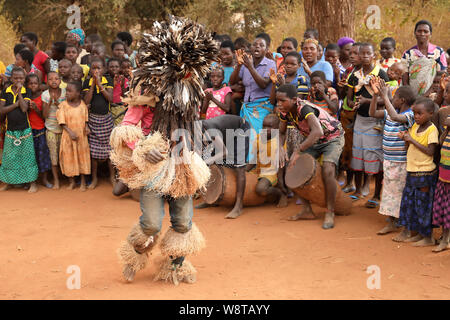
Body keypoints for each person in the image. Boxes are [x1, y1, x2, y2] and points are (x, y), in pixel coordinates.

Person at [277, 84, 344, 229]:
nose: (279, 104)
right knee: (293, 170)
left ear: (294, 99)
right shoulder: (284, 111)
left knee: (328, 169)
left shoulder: (304, 109)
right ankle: (307, 210)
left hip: (332, 138)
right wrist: (280, 148)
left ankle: (330, 212)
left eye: (282, 101)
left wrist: (297, 151)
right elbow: (281, 132)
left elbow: (318, 132)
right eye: (278, 101)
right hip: (313, 140)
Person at [369, 79, 416, 235]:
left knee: (398, 192)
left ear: (402, 100)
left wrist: (385, 96)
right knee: (390, 190)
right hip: (389, 159)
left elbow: (396, 117)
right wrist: (376, 96)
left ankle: (397, 222)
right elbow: (373, 113)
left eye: (394, 97)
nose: (391, 99)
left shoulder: (410, 115)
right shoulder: (390, 112)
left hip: (401, 161)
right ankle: (393, 221)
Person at [347, 43, 389, 208]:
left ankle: (377, 194)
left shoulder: (381, 74)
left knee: (375, 156)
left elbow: (387, 100)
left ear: (373, 56)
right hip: (360, 120)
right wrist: (353, 104)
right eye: (361, 53)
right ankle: (358, 190)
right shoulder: (354, 75)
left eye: (367, 53)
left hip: (375, 122)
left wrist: (367, 101)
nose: (364, 56)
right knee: (358, 154)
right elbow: (349, 98)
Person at [396, 97, 439, 246]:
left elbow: (430, 151)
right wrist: (405, 139)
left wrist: (412, 140)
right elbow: (410, 148)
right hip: (412, 170)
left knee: (424, 205)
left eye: (420, 113)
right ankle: (419, 233)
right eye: (415, 113)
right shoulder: (414, 126)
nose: (417, 116)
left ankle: (428, 237)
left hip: (424, 173)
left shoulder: (432, 130)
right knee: (412, 204)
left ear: (431, 114)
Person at [229, 36, 276, 160]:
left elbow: (264, 84)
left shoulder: (270, 64)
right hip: (247, 108)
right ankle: (245, 166)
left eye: (261, 45)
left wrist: (250, 67)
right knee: (245, 138)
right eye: (255, 44)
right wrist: (239, 65)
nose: (257, 47)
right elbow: (232, 81)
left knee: (257, 139)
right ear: (250, 47)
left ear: (266, 50)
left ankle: (255, 168)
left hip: (262, 108)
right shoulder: (245, 64)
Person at [199, 114, 251, 219]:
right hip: (226, 133)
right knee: (212, 161)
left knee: (239, 166)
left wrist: (206, 161)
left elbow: (224, 152)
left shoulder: (210, 130)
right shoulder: (197, 130)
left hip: (241, 128)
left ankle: (238, 205)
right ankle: (212, 199)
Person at [0, 67, 38, 192]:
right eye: (15, 78)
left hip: (25, 129)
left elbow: (23, 109)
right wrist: (15, 105)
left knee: (27, 156)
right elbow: (1, 110)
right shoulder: (5, 91)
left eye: (21, 78)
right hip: (10, 130)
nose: (18, 80)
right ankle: (8, 182)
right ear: (11, 78)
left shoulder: (26, 91)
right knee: (9, 158)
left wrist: (20, 94)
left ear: (24, 79)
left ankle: (32, 183)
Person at [82, 57, 114, 189]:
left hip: (106, 120)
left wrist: (100, 85)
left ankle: (112, 177)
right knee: (93, 152)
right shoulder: (87, 82)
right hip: (93, 120)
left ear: (104, 69)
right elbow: (86, 101)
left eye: (98, 68)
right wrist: (93, 85)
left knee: (110, 151)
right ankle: (94, 178)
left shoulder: (108, 80)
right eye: (93, 68)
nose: (96, 71)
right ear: (90, 70)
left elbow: (110, 98)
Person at [247, 114, 287, 207]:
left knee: (260, 189)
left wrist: (281, 182)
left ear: (277, 128)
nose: (266, 129)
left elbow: (281, 164)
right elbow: (253, 159)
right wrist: (245, 170)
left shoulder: (279, 142)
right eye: (264, 126)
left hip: (271, 173)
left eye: (270, 127)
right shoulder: (258, 138)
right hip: (258, 170)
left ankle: (281, 193)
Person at [57, 81, 91, 191]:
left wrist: (86, 127)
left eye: (70, 91)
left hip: (81, 138)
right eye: (66, 90)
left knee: (82, 159)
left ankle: (82, 182)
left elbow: (85, 119)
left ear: (78, 93)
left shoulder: (83, 106)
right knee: (68, 159)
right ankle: (71, 182)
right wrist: (70, 132)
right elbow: (62, 122)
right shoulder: (63, 105)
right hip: (68, 137)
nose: (66, 93)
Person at [339, 43, 362, 194]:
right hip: (345, 114)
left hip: (357, 116)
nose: (351, 56)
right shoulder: (348, 71)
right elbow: (343, 97)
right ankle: (349, 182)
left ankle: (358, 185)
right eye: (351, 53)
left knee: (356, 151)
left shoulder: (364, 74)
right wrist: (342, 87)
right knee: (346, 149)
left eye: (355, 53)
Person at [402, 20, 447, 95]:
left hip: (434, 93)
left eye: (426, 31)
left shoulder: (438, 52)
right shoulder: (408, 54)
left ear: (430, 34)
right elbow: (405, 79)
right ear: (415, 33)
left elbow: (441, 75)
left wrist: (428, 93)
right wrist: (411, 96)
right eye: (419, 31)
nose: (422, 34)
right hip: (413, 94)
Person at [26, 73, 52, 189]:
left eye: (35, 83)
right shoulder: (25, 97)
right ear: (26, 85)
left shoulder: (42, 97)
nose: (33, 85)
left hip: (40, 130)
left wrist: (36, 109)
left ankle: (44, 179)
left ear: (39, 84)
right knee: (29, 157)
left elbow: (44, 116)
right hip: (27, 131)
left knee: (42, 156)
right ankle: (31, 180)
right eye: (30, 83)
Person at [42, 71, 66, 189]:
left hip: (64, 129)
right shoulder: (45, 94)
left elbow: (67, 110)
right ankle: (56, 180)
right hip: (51, 129)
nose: (54, 81)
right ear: (47, 82)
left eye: (56, 78)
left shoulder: (65, 93)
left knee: (64, 155)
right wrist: (50, 103)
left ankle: (67, 178)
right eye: (51, 79)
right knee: (53, 157)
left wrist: (58, 104)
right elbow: (45, 115)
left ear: (60, 81)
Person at [432, 114, 450, 252]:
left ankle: (445, 240)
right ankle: (445, 238)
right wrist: (447, 128)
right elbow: (441, 141)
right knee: (444, 208)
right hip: (444, 174)